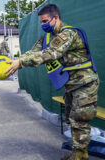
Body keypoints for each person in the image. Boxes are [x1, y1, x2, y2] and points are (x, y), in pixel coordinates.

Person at [6, 4, 99, 160]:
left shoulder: (68, 34)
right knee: (72, 118)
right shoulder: (47, 37)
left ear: (56, 18)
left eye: (45, 21)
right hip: (72, 84)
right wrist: (17, 60)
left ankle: (80, 156)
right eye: (41, 22)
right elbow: (34, 52)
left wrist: (20, 64)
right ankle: (79, 154)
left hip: (85, 83)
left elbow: (50, 54)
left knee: (80, 120)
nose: (43, 25)